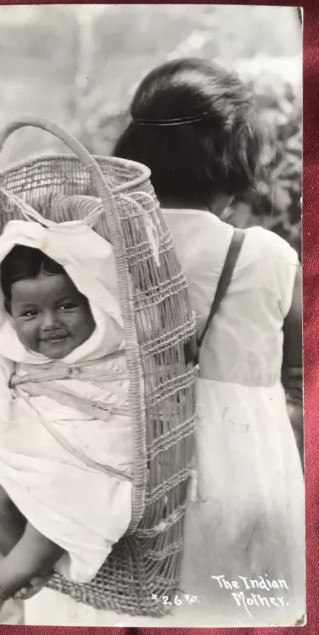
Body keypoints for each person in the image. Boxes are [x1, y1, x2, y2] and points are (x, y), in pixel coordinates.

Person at [111, 57, 304, 625]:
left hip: (125, 470)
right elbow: (297, 363)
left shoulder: (98, 245)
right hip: (244, 473)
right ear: (236, 158)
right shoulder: (268, 257)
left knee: (124, 610)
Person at [0, 217, 133, 622]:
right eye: (29, 313)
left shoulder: (115, 355)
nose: (50, 323)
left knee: (62, 494)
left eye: (66, 305)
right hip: (32, 457)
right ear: (9, 315)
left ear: (94, 301)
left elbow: (123, 426)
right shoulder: (11, 361)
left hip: (85, 467)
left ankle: (2, 582)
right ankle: (31, 569)